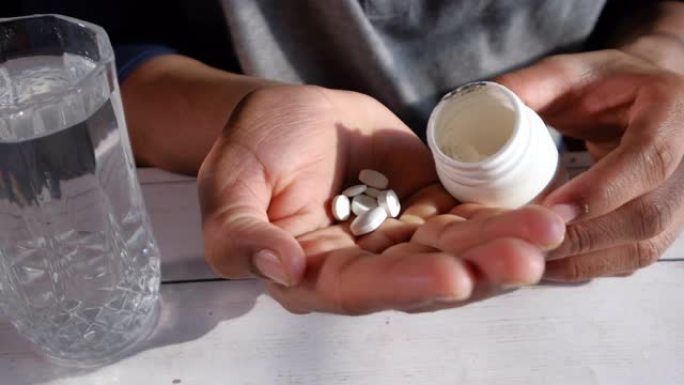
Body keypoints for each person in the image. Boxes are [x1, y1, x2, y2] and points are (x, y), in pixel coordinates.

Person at [5, 0, 684, 314]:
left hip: (572, 145)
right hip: (262, 135)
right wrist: (237, 116)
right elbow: (67, 46)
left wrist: (666, 51)